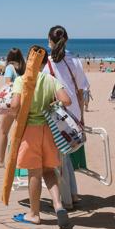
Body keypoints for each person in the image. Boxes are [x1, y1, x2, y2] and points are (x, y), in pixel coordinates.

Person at [10, 46, 71, 228]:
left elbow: (15, 106)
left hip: (30, 131)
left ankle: (34, 214)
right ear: (45, 63)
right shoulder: (50, 79)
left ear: (29, 61)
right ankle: (58, 205)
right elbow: (67, 100)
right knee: (49, 170)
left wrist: (15, 114)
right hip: (49, 129)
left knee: (34, 173)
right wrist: (52, 104)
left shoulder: (22, 80)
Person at [43, 25, 89, 207]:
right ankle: (73, 195)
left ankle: (67, 200)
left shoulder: (48, 64)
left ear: (49, 40)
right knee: (66, 154)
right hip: (74, 113)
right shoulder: (75, 61)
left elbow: (48, 92)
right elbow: (80, 91)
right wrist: (82, 116)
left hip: (57, 115)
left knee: (58, 157)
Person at [0, 48, 25, 168]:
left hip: (11, 102)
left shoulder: (10, 68)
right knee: (21, 132)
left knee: (4, 131)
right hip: (23, 103)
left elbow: (8, 83)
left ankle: (0, 159)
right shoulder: (23, 68)